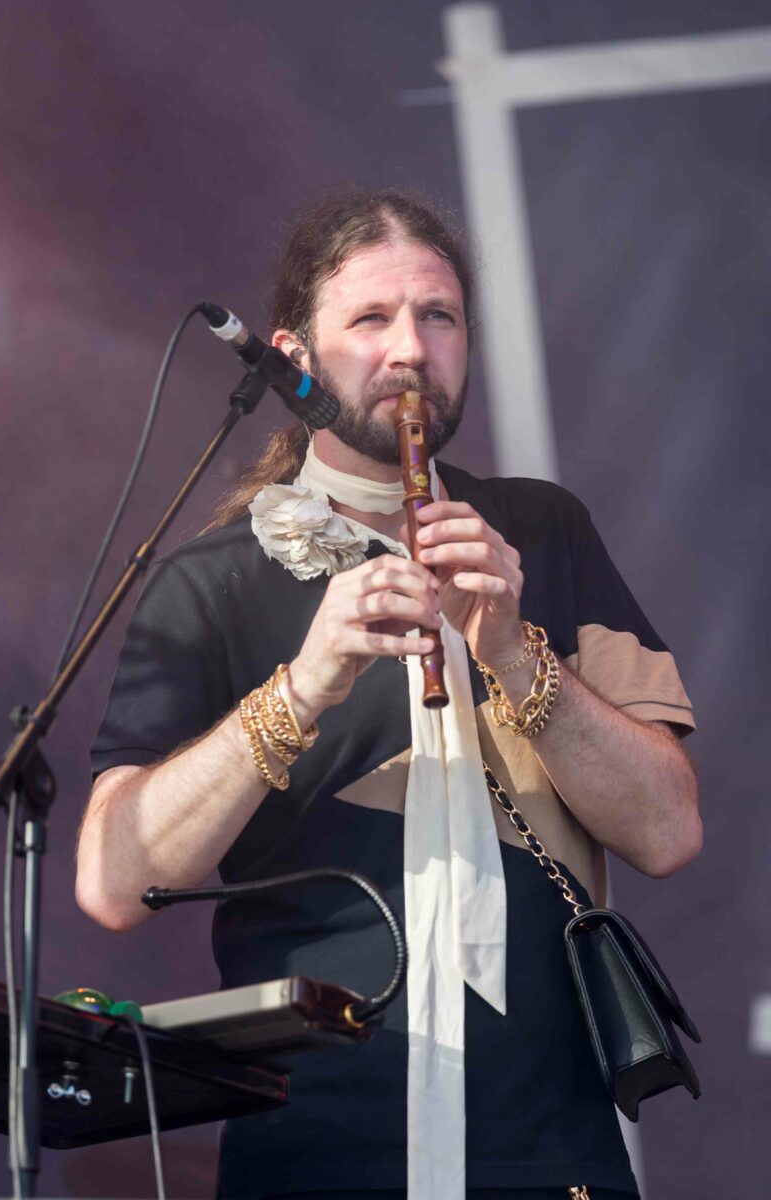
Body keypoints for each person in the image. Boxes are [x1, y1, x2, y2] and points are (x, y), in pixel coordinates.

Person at [77, 189, 701, 1200]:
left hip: (548, 1155)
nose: (410, 349)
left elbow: (667, 830)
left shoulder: (543, 531)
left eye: (437, 316)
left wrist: (512, 651)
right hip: (312, 1154)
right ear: (293, 358)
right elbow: (112, 882)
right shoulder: (211, 579)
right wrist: (304, 685)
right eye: (370, 318)